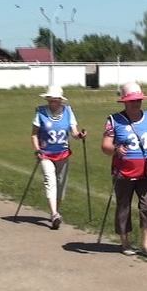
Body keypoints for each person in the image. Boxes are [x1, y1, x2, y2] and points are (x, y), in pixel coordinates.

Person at [101, 82, 147, 257]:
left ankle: (146, 244)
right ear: (125, 102)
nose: (136, 103)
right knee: (123, 207)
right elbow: (105, 146)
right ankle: (125, 242)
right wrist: (116, 149)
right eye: (133, 100)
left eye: (139, 100)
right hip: (123, 173)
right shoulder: (114, 120)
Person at [31, 85, 86, 230]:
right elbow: (34, 134)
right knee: (50, 180)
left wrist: (79, 135)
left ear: (60, 101)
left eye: (54, 100)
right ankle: (55, 214)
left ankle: (56, 211)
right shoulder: (41, 113)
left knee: (61, 185)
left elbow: (73, 132)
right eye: (50, 100)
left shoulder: (68, 111)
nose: (52, 103)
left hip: (62, 154)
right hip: (45, 154)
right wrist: (37, 149)